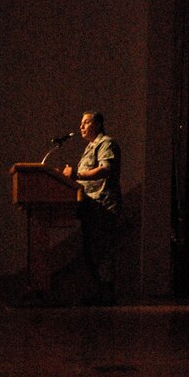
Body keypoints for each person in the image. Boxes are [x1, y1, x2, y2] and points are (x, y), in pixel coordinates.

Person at [63, 111, 122, 306]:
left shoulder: (106, 143)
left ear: (97, 124)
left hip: (102, 206)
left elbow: (105, 169)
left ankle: (105, 293)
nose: (81, 126)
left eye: (86, 122)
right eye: (81, 123)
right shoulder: (89, 147)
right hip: (89, 206)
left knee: (101, 251)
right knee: (90, 251)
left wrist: (77, 174)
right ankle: (98, 292)